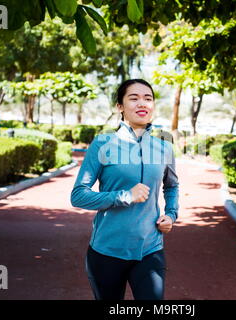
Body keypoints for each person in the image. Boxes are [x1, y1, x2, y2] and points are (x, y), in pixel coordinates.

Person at [70, 79, 179, 300]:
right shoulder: (102, 144)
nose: (143, 103)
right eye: (134, 98)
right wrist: (124, 196)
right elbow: (78, 195)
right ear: (120, 107)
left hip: (150, 248)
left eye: (148, 99)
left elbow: (172, 186)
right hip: (106, 251)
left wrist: (171, 214)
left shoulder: (164, 148)